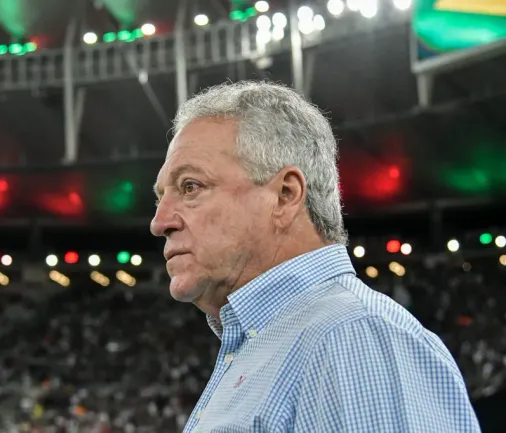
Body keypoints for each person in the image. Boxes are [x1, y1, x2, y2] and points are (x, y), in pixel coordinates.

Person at [150, 81, 481, 432]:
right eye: (160, 197)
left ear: (285, 195)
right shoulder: (284, 342)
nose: (160, 222)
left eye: (190, 186)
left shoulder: (352, 338)